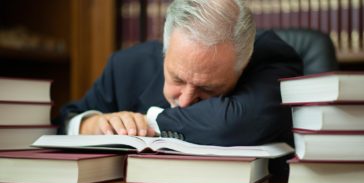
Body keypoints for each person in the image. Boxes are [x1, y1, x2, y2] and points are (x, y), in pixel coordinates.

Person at [58, 0, 302, 147]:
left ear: (244, 63)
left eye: (208, 88)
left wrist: (147, 122)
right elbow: (66, 121)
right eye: (176, 79)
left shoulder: (272, 58)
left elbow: (234, 124)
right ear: (165, 49)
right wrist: (93, 125)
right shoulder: (127, 67)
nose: (184, 101)